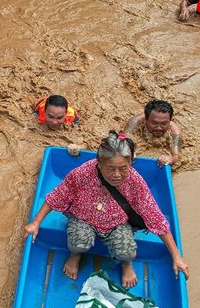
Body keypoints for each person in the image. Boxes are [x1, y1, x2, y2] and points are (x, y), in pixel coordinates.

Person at [24, 131, 189, 287]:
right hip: (83, 218)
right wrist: (35, 223)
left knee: (127, 252)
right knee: (78, 244)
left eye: (123, 168)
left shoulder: (136, 182)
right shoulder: (82, 173)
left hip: (117, 223)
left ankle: (126, 265)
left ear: (131, 162)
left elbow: (154, 217)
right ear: (99, 163)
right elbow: (58, 195)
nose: (116, 174)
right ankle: (75, 256)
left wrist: (177, 257)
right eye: (110, 168)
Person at [123, 99, 182, 166]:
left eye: (164, 123)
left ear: (170, 121)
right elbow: (123, 141)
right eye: (154, 123)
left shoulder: (175, 132)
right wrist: (128, 151)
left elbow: (176, 155)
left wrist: (170, 159)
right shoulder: (135, 123)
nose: (159, 127)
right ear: (145, 120)